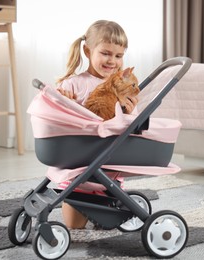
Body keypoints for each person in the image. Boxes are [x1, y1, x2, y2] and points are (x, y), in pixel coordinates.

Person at [55, 20, 138, 229]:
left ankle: (105, 209)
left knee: (107, 225)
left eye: (119, 56)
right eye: (106, 53)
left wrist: (130, 110)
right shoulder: (73, 84)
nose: (113, 61)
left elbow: (131, 126)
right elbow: (59, 121)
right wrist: (66, 102)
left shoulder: (122, 86)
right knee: (76, 229)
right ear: (87, 50)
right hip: (80, 168)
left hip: (109, 169)